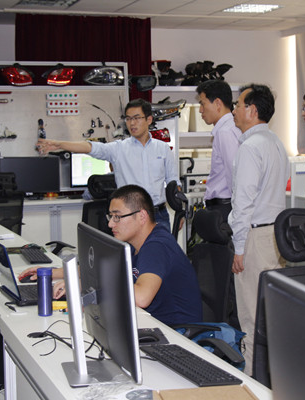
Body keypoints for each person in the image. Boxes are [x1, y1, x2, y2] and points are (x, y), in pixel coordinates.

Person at [19, 184, 202, 326]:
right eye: (110, 217)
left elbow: (141, 298)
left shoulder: (156, 246)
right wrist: (53, 273)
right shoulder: (133, 244)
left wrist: (88, 285)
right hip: (147, 322)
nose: (110, 224)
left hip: (176, 333)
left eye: (117, 217)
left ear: (141, 216)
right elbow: (99, 269)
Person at [36, 98, 179, 232]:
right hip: (130, 217)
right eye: (128, 119)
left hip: (158, 215)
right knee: (129, 252)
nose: (132, 123)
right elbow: (91, 147)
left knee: (162, 250)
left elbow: (173, 182)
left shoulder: (163, 149)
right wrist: (59, 144)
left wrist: (180, 211)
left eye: (136, 118)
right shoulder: (119, 148)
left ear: (149, 120)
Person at [229, 84, 290, 375]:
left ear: (252, 110)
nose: (234, 110)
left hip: (255, 237)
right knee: (272, 314)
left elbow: (243, 203)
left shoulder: (250, 147)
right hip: (276, 237)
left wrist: (239, 248)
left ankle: (252, 383)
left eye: (238, 105)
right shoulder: (276, 143)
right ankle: (276, 378)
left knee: (252, 316)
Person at [196, 80, 241, 222]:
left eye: (202, 104)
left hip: (224, 208)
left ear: (217, 103)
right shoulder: (231, 127)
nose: (200, 110)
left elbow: (234, 174)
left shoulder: (225, 132)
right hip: (225, 206)